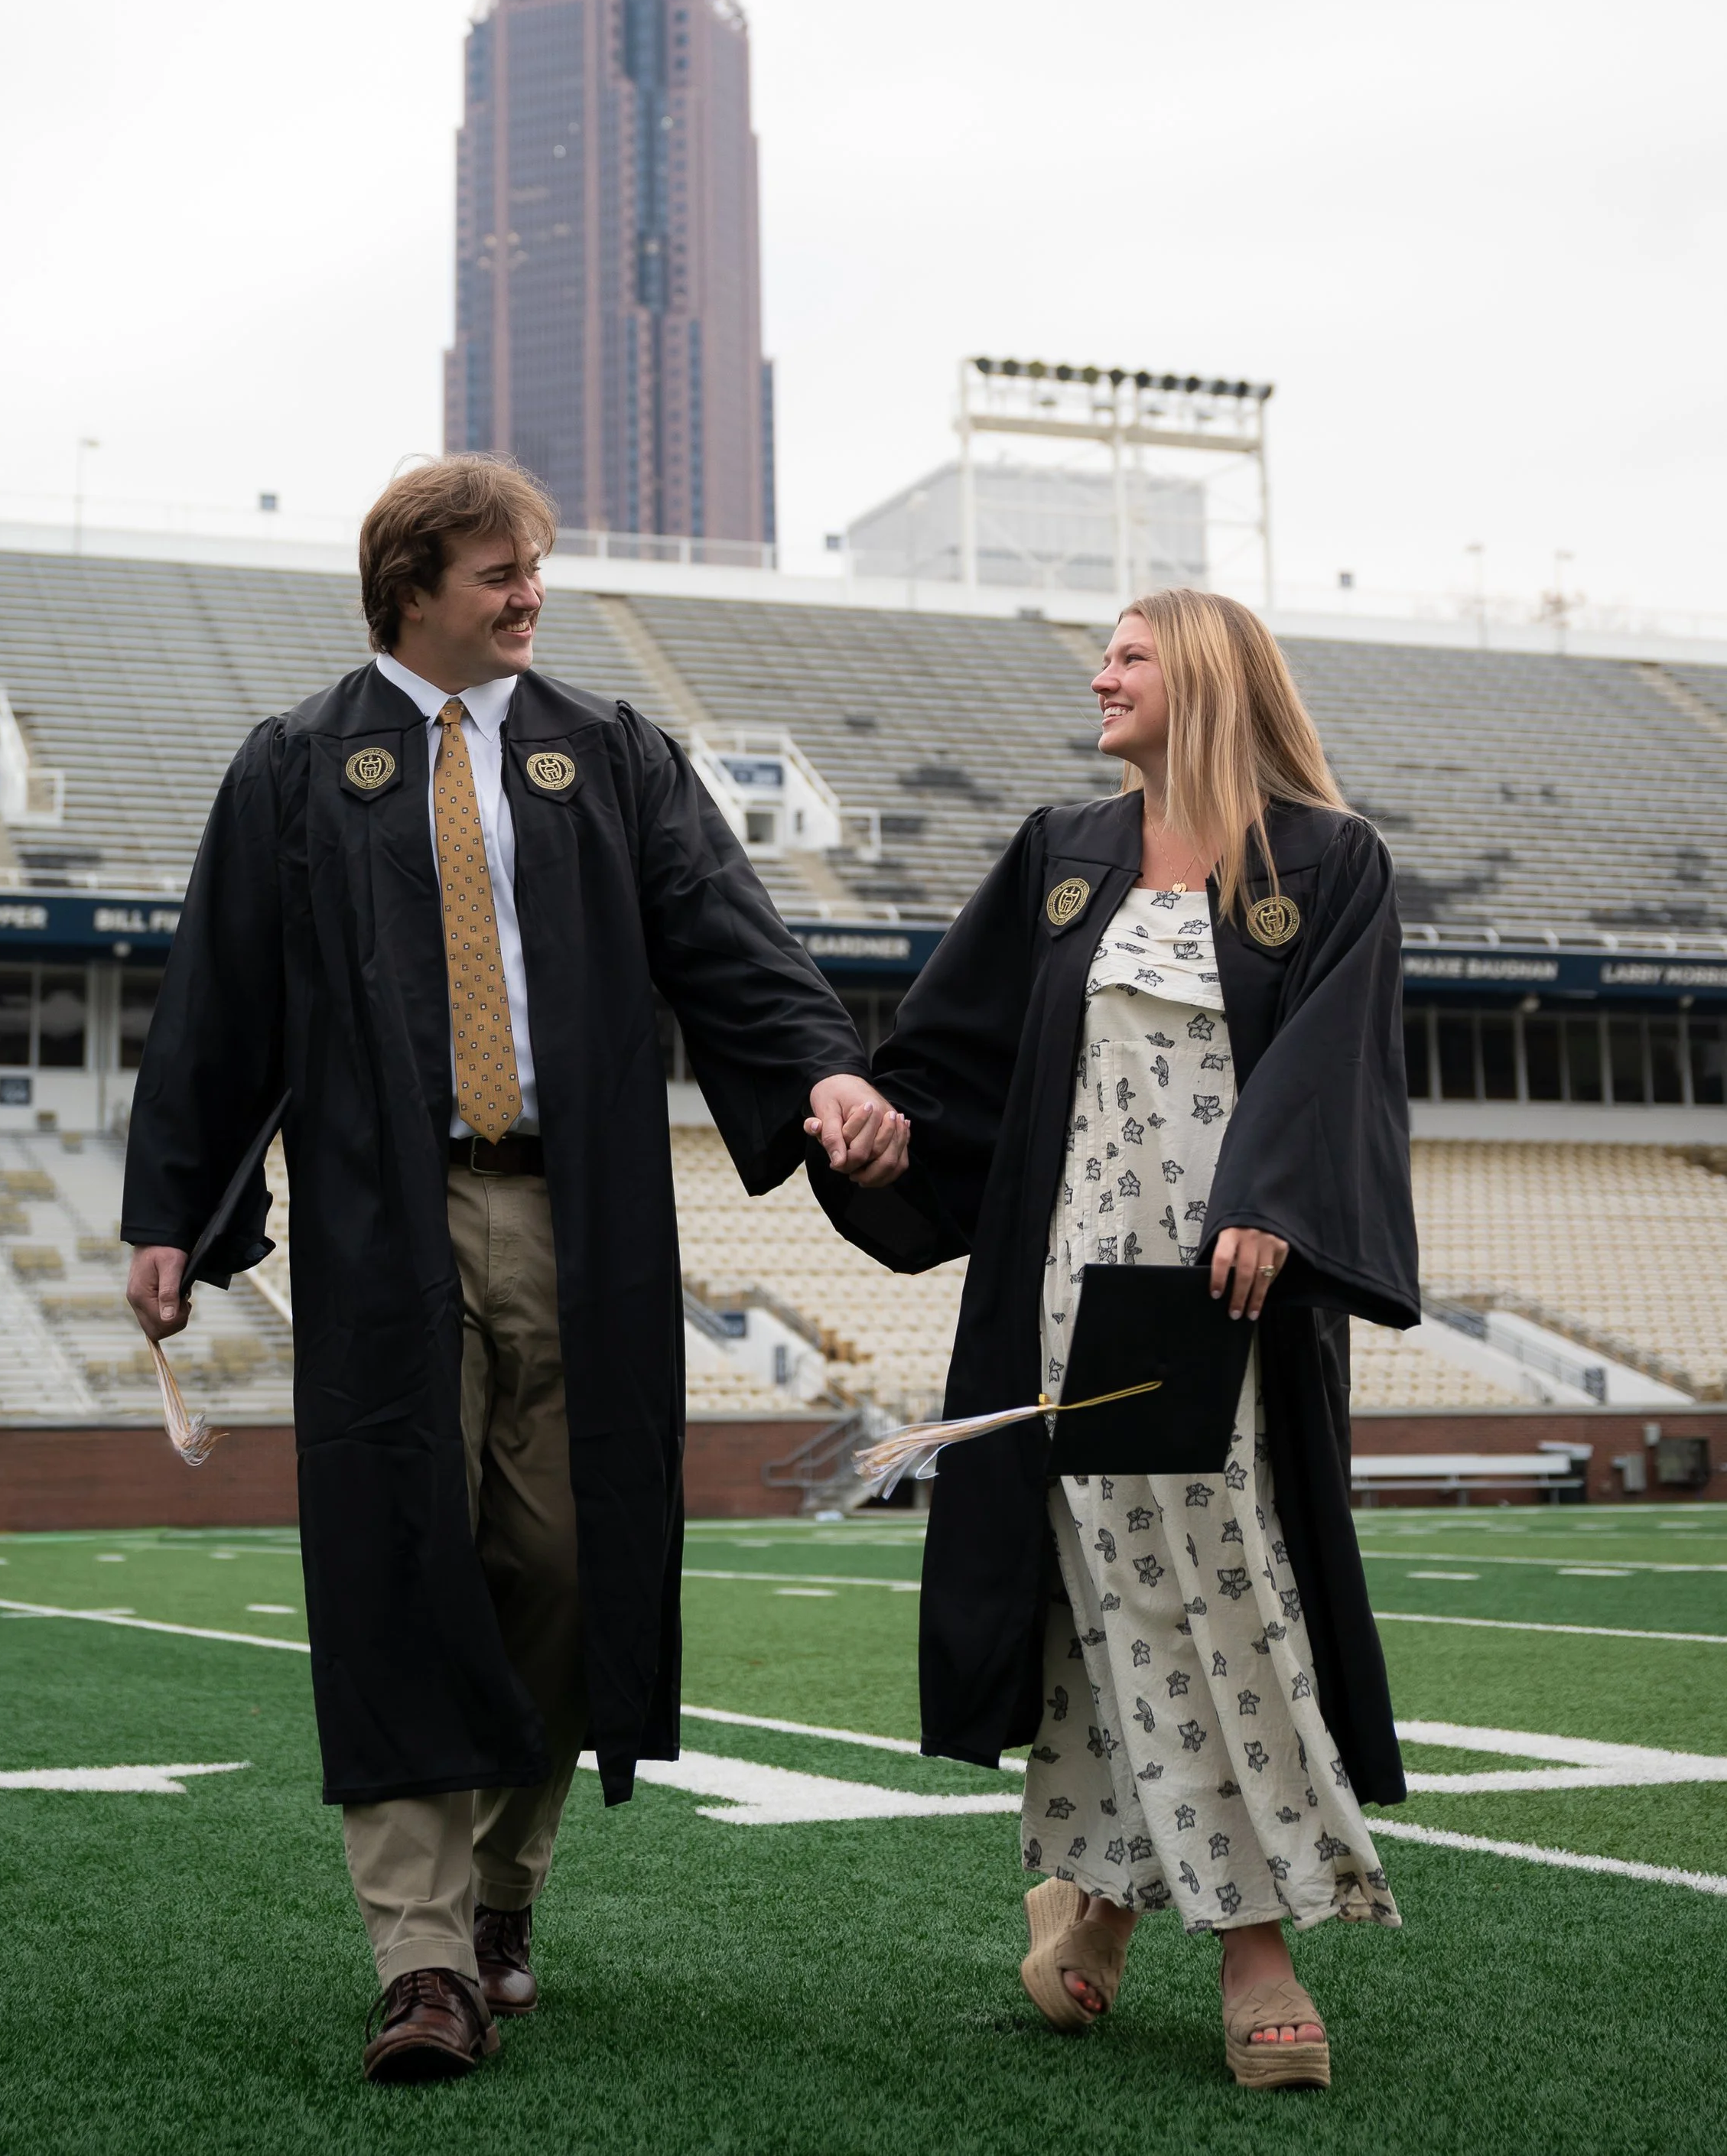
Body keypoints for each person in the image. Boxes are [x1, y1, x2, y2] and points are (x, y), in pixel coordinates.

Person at [121, 454, 907, 2086]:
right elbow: (215, 1004)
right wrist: (172, 1217)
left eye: (533, 568)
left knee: (563, 1560)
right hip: (377, 1219)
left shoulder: (608, 755)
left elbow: (722, 933)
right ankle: (420, 1960)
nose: (527, 595)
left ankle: (502, 1894)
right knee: (401, 1552)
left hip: (579, 1216)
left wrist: (821, 1067)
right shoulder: (295, 769)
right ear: (410, 583)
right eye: (496, 573)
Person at [813, 588, 1417, 2092]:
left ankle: (1193, 1930)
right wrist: (885, 1135)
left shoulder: (1324, 864)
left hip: (1217, 1300)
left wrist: (1272, 1196)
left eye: (1129, 656)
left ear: (1203, 676)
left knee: (1216, 1592)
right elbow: (955, 1055)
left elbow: (1335, 1068)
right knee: (1108, 1602)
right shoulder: (1060, 857)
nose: (1099, 675)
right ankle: (1140, 1916)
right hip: (1067, 1289)